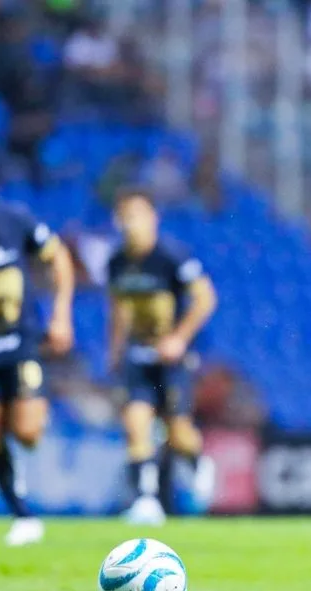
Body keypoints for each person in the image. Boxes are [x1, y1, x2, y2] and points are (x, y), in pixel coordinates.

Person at [0, 147, 75, 545]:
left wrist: (61, 315)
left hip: (19, 343)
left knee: (26, 432)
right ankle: (22, 514)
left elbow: (58, 258)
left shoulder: (14, 221)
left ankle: (25, 421)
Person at [106, 188, 217, 525]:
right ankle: (145, 500)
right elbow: (118, 309)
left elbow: (205, 298)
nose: (130, 224)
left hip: (171, 359)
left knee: (178, 432)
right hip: (137, 355)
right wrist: (115, 352)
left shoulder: (171, 256)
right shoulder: (117, 262)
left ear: (153, 218)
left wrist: (179, 339)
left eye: (137, 215)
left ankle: (198, 461)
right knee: (135, 424)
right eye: (125, 217)